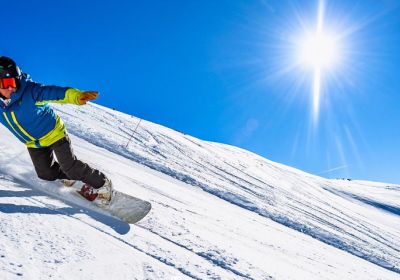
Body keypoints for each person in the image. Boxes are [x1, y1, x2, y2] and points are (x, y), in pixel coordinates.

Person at [0, 56, 112, 206]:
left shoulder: (31, 91)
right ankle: (69, 177)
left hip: (54, 134)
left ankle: (102, 183)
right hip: (34, 143)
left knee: (70, 166)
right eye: (6, 83)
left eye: (14, 82)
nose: (12, 88)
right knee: (46, 174)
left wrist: (76, 96)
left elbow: (54, 92)